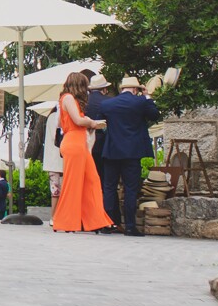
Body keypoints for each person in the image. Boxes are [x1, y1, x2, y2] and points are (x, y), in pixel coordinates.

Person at [98, 76, 163, 236]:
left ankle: (107, 223)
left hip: (112, 151)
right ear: (136, 89)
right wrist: (148, 97)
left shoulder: (107, 104)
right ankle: (130, 226)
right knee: (131, 189)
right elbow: (155, 115)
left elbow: (101, 121)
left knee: (109, 187)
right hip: (132, 152)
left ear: (122, 89)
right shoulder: (141, 102)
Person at [52, 70, 114, 234]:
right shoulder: (69, 98)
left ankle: (93, 220)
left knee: (91, 181)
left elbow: (61, 123)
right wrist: (93, 123)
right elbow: (78, 120)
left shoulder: (64, 99)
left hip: (75, 142)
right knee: (75, 184)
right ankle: (66, 221)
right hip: (75, 143)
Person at [86, 71, 114, 229]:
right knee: (105, 183)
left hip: (86, 145)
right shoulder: (109, 102)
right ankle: (106, 218)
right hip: (105, 146)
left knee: (88, 183)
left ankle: (87, 219)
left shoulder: (83, 102)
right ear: (104, 89)